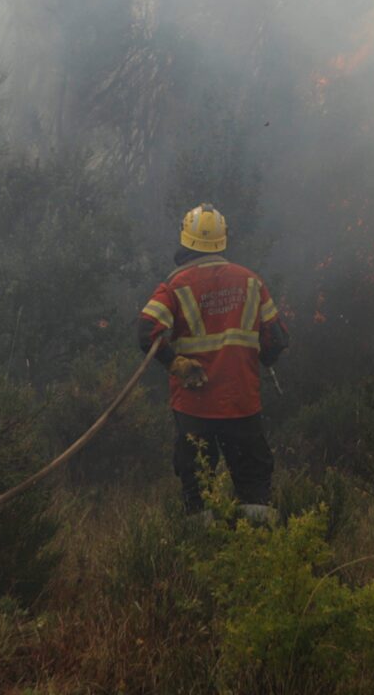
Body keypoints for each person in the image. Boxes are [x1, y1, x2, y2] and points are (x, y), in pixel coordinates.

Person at [138, 203, 289, 522]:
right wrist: (264, 357)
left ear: (185, 238)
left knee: (197, 486)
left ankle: (200, 545)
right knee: (254, 485)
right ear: (223, 239)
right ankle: (258, 542)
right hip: (241, 401)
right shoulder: (251, 281)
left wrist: (175, 363)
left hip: (195, 405)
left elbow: (146, 331)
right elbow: (277, 337)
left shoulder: (175, 286)